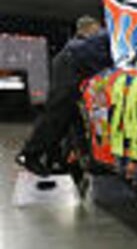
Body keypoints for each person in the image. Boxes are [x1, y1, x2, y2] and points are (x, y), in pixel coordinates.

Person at [16, 15, 112, 176]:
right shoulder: (106, 36)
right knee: (58, 113)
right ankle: (29, 154)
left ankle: (77, 161)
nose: (98, 30)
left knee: (75, 116)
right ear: (90, 28)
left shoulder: (90, 42)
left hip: (71, 65)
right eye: (96, 27)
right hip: (71, 65)